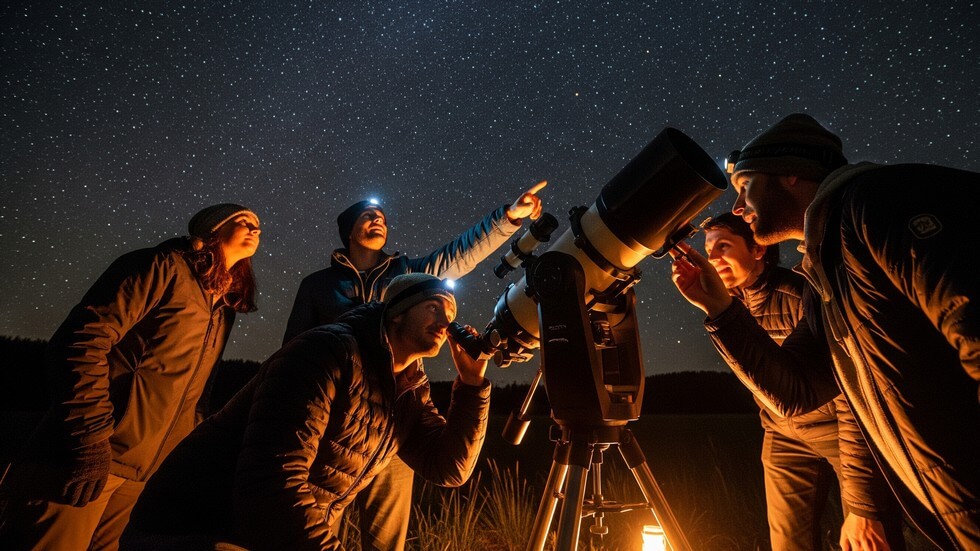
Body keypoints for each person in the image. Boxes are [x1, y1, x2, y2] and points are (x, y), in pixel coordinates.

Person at [672, 113, 979, 550]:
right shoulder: (824, 272)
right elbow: (796, 391)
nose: (739, 207)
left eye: (745, 186)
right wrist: (718, 307)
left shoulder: (876, 203)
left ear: (790, 173)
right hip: (955, 501)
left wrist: (863, 505)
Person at [121, 273, 491, 550]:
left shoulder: (408, 391)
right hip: (196, 531)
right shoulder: (325, 353)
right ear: (396, 313)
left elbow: (449, 468)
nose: (446, 320)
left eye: (452, 312)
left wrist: (472, 387)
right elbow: (272, 483)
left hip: (269, 535)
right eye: (434, 306)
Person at [281, 182, 544, 550]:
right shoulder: (317, 286)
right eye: (368, 216)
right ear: (349, 231)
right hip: (334, 420)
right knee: (318, 519)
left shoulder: (409, 275)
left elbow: (460, 253)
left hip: (395, 414)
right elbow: (292, 348)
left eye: (383, 218)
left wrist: (507, 218)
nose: (378, 221)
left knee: (387, 537)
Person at [0, 204, 262, 551]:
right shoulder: (162, 267)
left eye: (258, 225)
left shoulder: (220, 306)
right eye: (242, 221)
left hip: (141, 474)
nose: (254, 229)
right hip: (87, 455)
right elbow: (80, 342)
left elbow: (193, 393)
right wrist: (90, 440)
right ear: (211, 229)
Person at [686, 212, 903, 550]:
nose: (712, 258)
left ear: (758, 250)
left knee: (869, 536)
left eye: (723, 246)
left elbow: (853, 394)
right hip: (782, 432)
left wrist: (863, 502)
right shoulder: (733, 304)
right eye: (708, 249)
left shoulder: (799, 294)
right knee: (788, 541)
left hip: (837, 427)